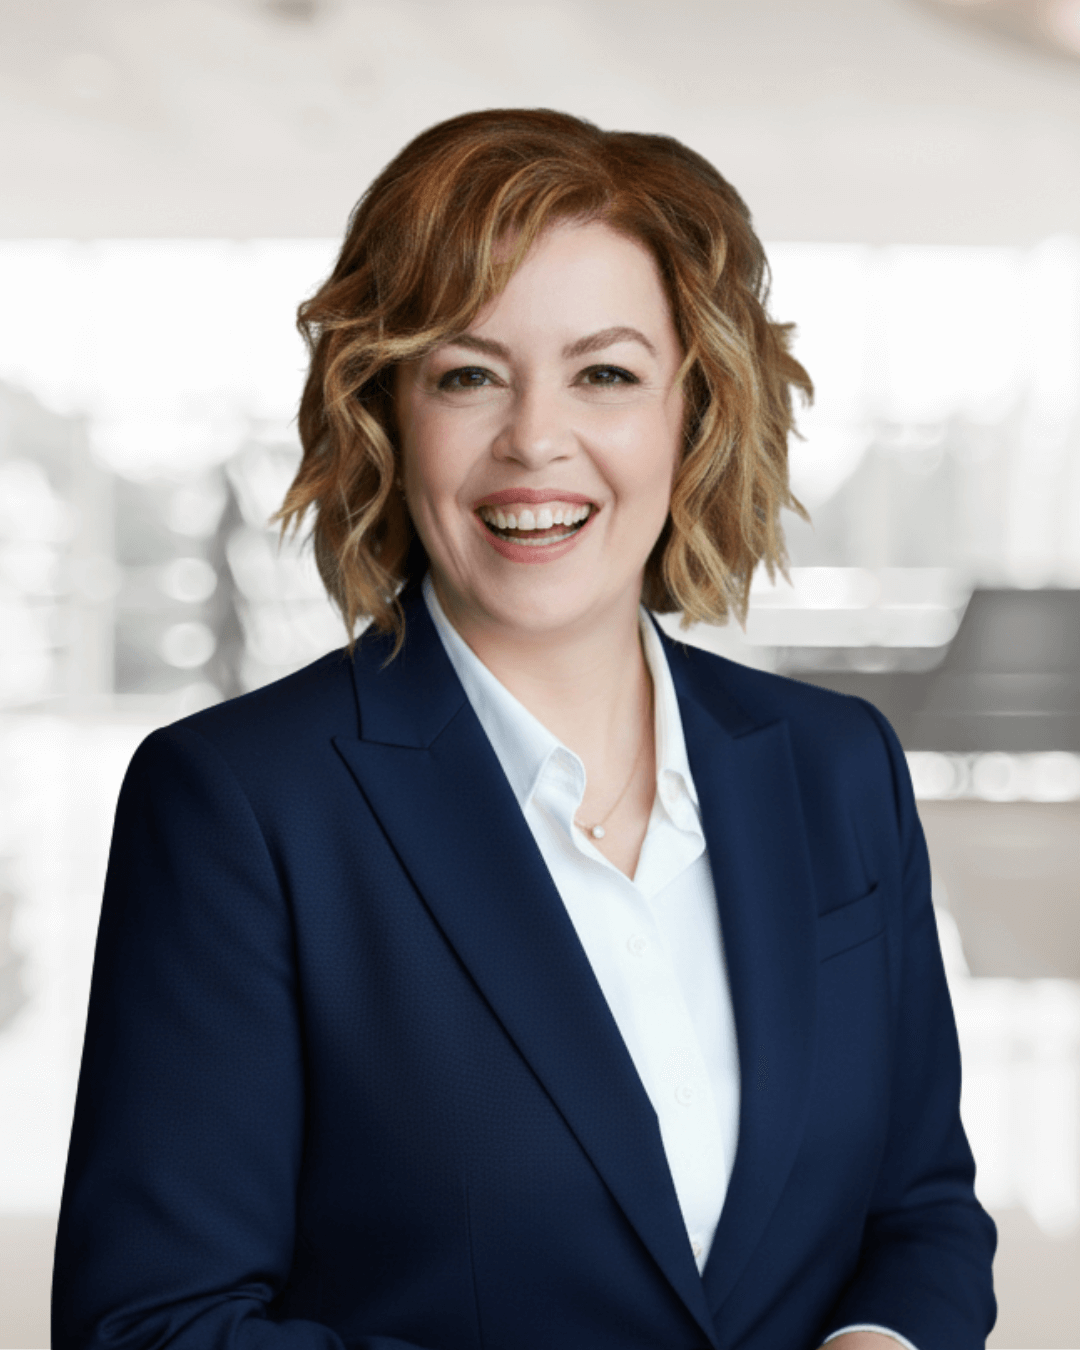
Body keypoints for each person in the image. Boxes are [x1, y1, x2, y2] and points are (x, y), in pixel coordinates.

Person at [52, 109, 996, 1350]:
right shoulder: (239, 805)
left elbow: (921, 1209)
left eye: (604, 373)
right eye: (467, 374)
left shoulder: (836, 765)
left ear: (693, 412)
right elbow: (153, 1324)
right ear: (387, 412)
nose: (534, 439)